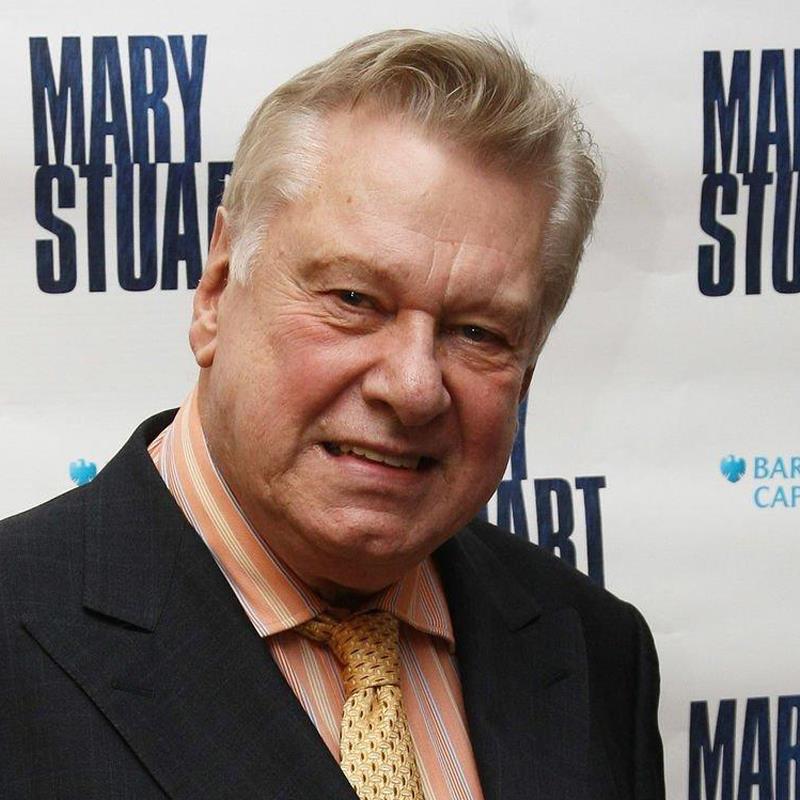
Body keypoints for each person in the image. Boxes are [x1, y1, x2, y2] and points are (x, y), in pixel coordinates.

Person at [0, 30, 665, 800]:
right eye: (354, 299)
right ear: (216, 291)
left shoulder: (596, 651)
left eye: (479, 332)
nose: (413, 387)